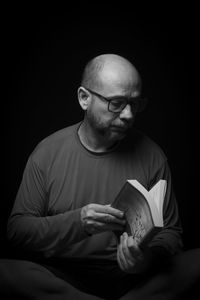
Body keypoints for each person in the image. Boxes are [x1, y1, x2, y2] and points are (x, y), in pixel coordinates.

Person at [0, 54, 199, 299]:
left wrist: (144, 260)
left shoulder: (153, 155)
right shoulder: (47, 152)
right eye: (116, 103)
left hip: (132, 278)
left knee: (195, 263)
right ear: (84, 98)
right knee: (7, 271)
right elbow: (18, 231)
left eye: (134, 104)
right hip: (63, 275)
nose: (128, 115)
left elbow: (172, 234)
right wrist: (79, 222)